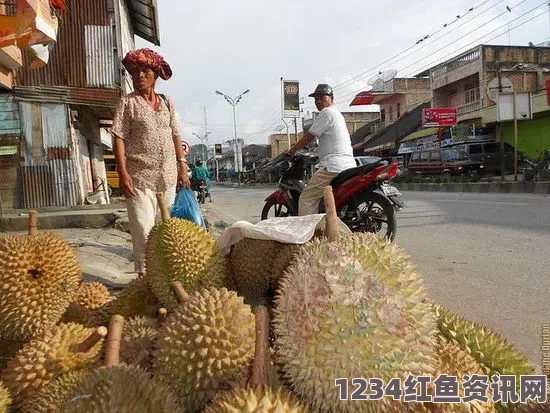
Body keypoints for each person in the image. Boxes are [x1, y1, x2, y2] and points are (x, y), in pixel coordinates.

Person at [109, 47, 190, 276]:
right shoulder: (128, 103)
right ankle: (146, 278)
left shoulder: (167, 103)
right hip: (139, 178)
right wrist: (122, 173)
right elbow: (119, 137)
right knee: (143, 232)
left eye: (144, 71)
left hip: (167, 176)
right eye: (134, 72)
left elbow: (175, 134)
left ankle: (167, 277)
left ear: (155, 74)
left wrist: (182, 165)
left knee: (165, 230)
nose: (139, 76)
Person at [286, 83, 356, 215]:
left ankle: (308, 233)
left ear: (332, 98)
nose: (318, 102)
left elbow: (309, 137)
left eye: (322, 98)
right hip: (348, 164)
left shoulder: (327, 112)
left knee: (307, 198)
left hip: (333, 166)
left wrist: (292, 150)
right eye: (316, 99)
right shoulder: (337, 114)